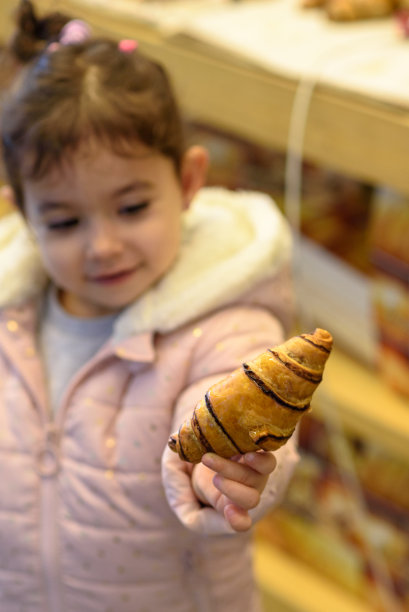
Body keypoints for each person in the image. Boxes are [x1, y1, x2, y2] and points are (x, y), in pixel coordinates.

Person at [0, 3, 299, 611]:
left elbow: (223, 410)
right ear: (23, 214)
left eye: (132, 208)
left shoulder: (226, 325)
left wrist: (225, 471)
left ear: (188, 181)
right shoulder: (12, 317)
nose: (102, 245)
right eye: (62, 220)